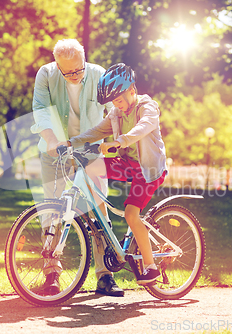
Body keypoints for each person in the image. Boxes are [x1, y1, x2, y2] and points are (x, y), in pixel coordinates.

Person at [30, 39, 124, 297]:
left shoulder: (98, 74)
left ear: (84, 60)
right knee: (51, 211)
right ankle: (51, 274)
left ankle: (105, 276)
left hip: (90, 151)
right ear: (57, 65)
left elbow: (114, 111)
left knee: (99, 211)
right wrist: (52, 141)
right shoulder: (47, 75)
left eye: (78, 70)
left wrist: (115, 142)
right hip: (55, 152)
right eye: (68, 71)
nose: (74, 76)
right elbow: (40, 108)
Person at [64, 63, 168, 285]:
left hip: (148, 171)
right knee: (92, 167)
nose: (116, 105)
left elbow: (143, 127)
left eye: (119, 100)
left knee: (131, 215)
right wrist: (71, 142)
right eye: (113, 102)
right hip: (128, 163)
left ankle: (150, 267)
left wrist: (119, 141)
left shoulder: (147, 107)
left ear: (132, 91)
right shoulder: (116, 113)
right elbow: (98, 131)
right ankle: (101, 220)